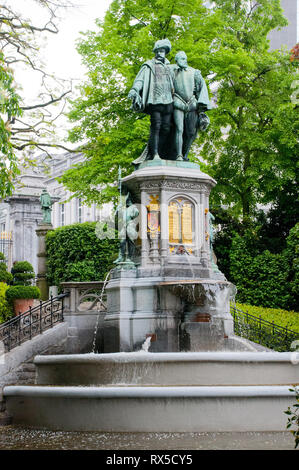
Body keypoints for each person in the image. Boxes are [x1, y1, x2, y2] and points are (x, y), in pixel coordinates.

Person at [128, 39, 174, 160]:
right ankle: (154, 154)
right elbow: (140, 80)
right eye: (158, 51)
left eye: (162, 51)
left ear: (166, 52)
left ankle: (162, 151)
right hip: (155, 100)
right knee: (156, 126)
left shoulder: (170, 67)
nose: (160, 53)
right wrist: (135, 89)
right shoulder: (149, 65)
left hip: (169, 101)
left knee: (166, 128)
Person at [169, 51, 211, 161]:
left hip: (192, 104)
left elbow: (202, 87)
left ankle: (185, 154)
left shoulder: (194, 72)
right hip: (178, 102)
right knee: (179, 129)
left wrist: (202, 108)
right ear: (176, 60)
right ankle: (178, 155)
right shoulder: (171, 71)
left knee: (192, 132)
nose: (185, 61)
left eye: (185, 58)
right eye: (182, 59)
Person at [114, 192, 139, 264]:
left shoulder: (133, 207)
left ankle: (130, 257)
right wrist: (117, 209)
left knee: (131, 241)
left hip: (130, 224)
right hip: (125, 225)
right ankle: (121, 257)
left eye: (127, 201)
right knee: (122, 241)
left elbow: (136, 214)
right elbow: (118, 216)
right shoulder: (125, 209)